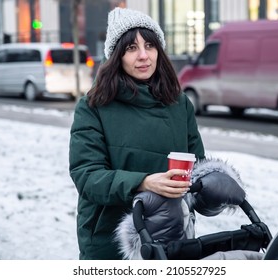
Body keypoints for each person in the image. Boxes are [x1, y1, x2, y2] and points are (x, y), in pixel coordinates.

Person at [69, 7, 205, 260]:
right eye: (131, 48)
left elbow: (197, 165)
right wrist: (143, 183)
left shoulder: (179, 103)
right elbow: (87, 176)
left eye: (150, 46)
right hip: (110, 239)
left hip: (173, 236)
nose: (143, 56)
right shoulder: (93, 107)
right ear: (116, 56)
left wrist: (213, 182)